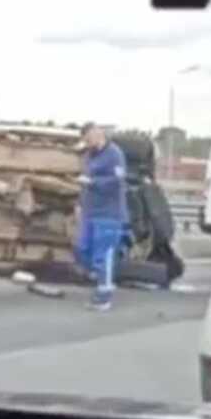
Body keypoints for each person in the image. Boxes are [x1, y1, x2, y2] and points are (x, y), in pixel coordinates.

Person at [74, 122, 128, 311]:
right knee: (82, 248)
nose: (87, 143)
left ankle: (104, 296)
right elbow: (84, 181)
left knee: (104, 255)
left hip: (109, 213)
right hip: (90, 211)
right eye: (85, 140)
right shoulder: (89, 155)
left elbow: (117, 180)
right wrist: (80, 204)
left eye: (89, 139)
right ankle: (98, 278)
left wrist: (93, 182)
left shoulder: (115, 154)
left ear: (98, 135)